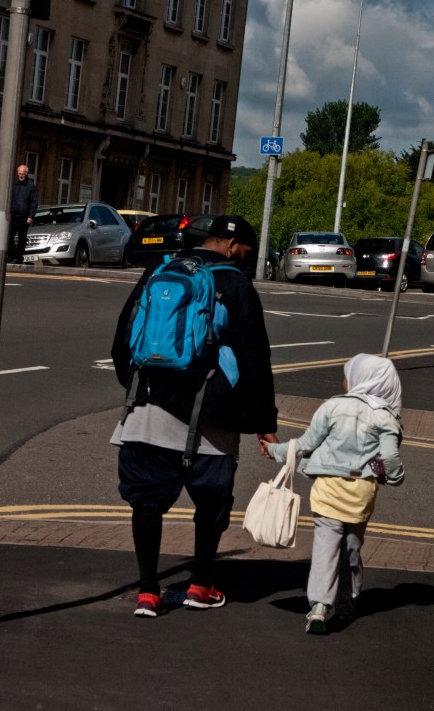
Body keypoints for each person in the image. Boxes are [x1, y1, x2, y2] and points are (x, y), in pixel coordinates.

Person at [111, 214, 280, 617]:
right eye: (247, 252)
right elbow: (255, 358)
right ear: (232, 245)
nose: (246, 258)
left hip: (147, 413)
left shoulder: (161, 270)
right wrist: (263, 424)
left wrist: (139, 388)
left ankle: (149, 593)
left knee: (146, 503)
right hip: (212, 416)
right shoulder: (236, 285)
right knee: (211, 506)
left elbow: (123, 337)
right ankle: (200, 584)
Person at [262, 353, 404, 634]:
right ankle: (347, 603)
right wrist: (396, 477)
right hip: (360, 493)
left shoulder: (332, 407)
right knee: (351, 549)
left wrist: (274, 450)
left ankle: (318, 606)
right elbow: (390, 456)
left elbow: (305, 444)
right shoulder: (385, 415)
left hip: (327, 489)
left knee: (325, 548)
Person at [7, 164, 38, 263]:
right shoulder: (13, 184)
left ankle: (18, 257)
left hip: (24, 216)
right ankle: (12, 254)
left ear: (26, 174)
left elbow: (34, 202)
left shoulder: (31, 186)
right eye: (19, 174)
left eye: (22, 174)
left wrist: (31, 216)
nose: (21, 176)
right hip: (13, 215)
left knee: (22, 238)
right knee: (9, 236)